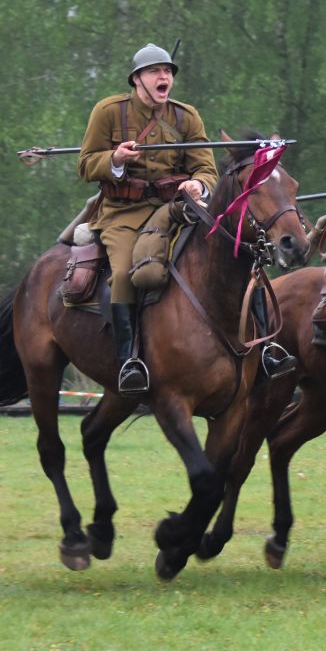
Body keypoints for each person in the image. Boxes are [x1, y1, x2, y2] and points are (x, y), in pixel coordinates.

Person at [77, 43, 219, 395]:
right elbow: (85, 164)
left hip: (174, 211)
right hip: (123, 213)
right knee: (126, 273)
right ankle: (129, 361)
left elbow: (206, 165)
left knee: (229, 255)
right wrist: (116, 159)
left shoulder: (187, 117)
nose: (164, 77)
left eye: (168, 72)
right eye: (156, 71)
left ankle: (257, 351)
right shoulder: (109, 112)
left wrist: (198, 183)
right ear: (137, 78)